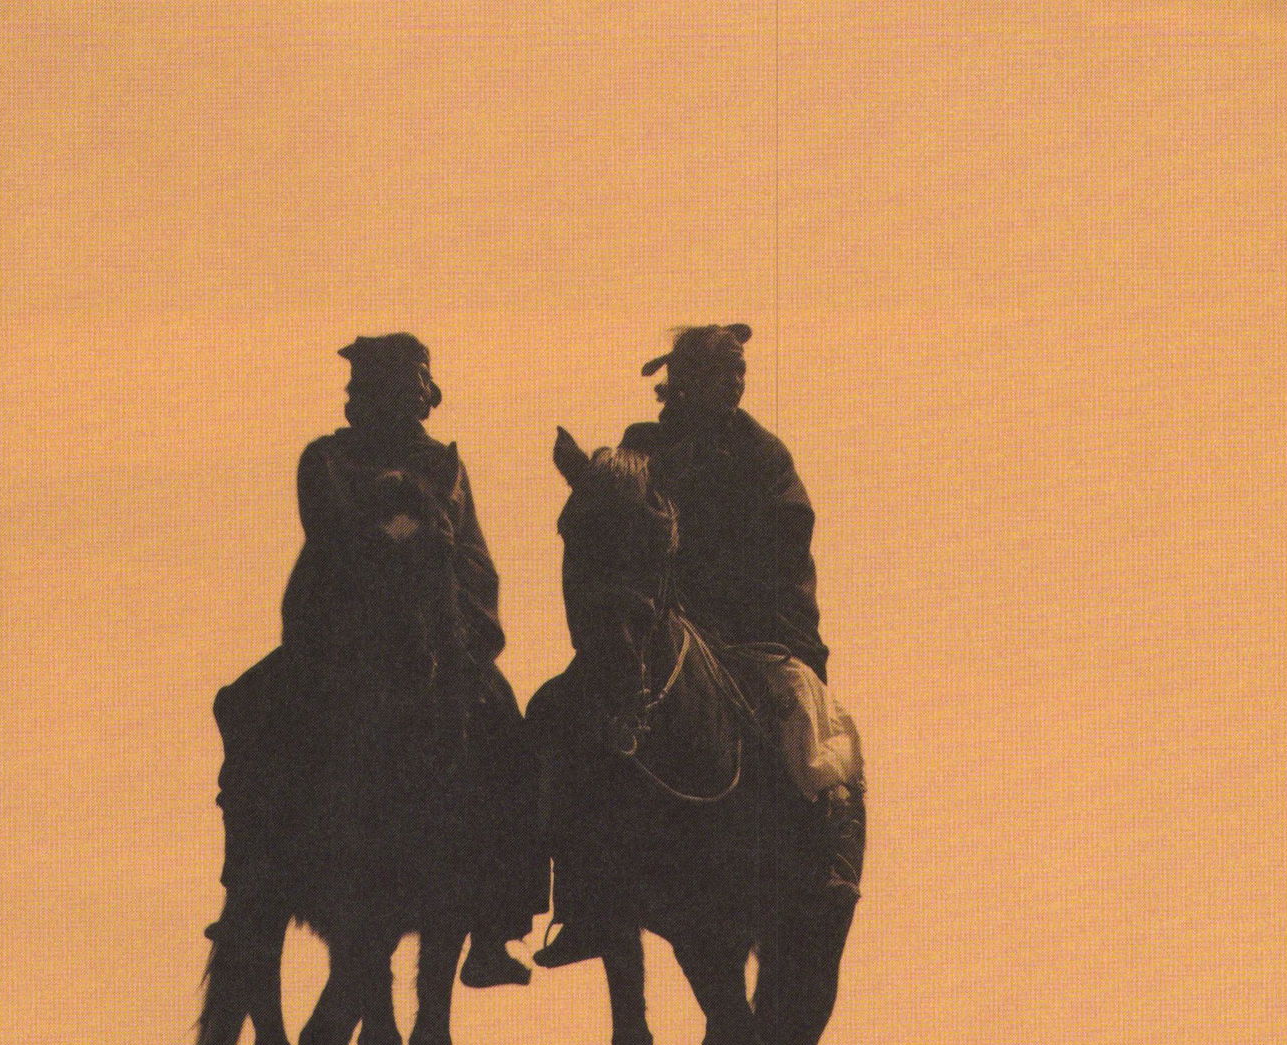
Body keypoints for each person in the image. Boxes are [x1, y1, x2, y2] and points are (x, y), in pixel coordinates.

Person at [210, 333, 540, 986]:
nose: (408, 398)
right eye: (390, 385)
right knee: (247, 706)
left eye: (416, 384)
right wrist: (407, 529)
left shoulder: (444, 464)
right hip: (337, 636)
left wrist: (459, 611)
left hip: (439, 630)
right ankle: (248, 877)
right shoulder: (326, 459)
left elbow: (465, 547)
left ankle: (499, 922)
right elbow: (339, 537)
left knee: (511, 734)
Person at [534, 322, 850, 968]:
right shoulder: (643, 448)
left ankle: (826, 863)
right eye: (722, 371)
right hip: (654, 622)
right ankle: (579, 894)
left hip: (756, 631)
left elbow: (787, 544)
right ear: (682, 382)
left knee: (805, 726)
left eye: (740, 371)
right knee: (558, 713)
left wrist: (725, 597)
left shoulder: (762, 454)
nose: (736, 382)